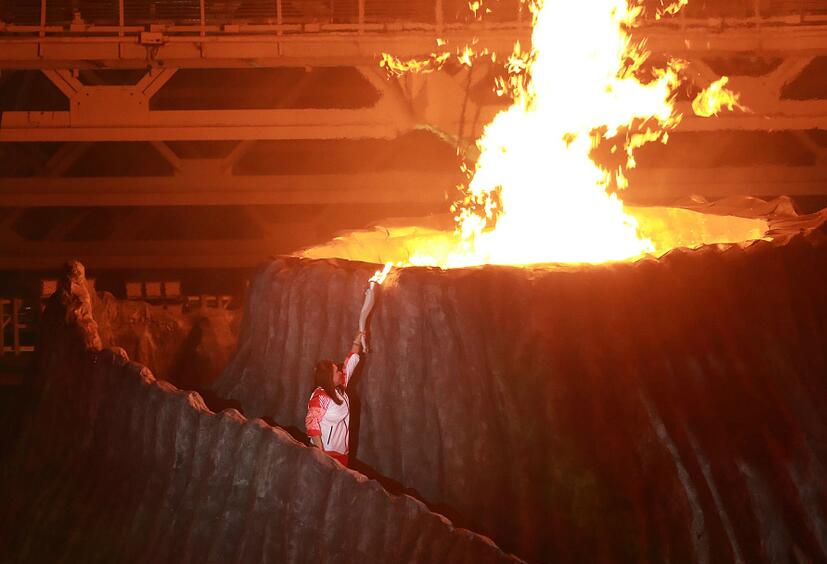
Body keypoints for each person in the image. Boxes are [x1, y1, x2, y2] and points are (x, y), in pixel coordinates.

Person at [305, 332, 363, 467]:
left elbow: (349, 365)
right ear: (329, 378)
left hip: (341, 452)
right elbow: (311, 422)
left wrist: (357, 341)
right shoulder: (321, 396)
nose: (341, 372)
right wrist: (320, 453)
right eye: (337, 371)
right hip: (326, 453)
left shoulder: (339, 388)